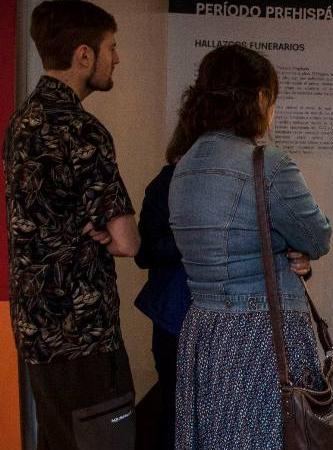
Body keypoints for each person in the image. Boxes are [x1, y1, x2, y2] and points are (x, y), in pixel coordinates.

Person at [169, 44, 332, 449]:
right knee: (269, 435)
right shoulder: (267, 163)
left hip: (204, 331)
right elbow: (317, 237)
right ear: (260, 98)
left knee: (218, 436)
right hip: (260, 332)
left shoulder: (183, 165)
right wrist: (295, 251)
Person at [2, 2, 140, 449]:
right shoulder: (84, 131)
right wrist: (108, 236)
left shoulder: (20, 122)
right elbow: (126, 240)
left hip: (33, 326)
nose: (115, 58)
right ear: (84, 55)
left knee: (57, 439)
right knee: (103, 440)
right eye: (110, 48)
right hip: (84, 332)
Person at [134, 139, 313, 450]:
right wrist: (205, 240)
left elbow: (289, 243)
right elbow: (144, 252)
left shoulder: (250, 182)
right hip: (178, 316)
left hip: (237, 323)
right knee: (181, 412)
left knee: (243, 416)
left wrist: (298, 261)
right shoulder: (169, 182)